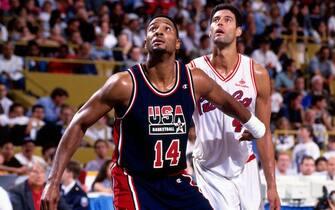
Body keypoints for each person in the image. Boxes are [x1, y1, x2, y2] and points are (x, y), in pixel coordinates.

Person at [41, 15, 265, 210]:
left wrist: (254, 124)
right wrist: (53, 181)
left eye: (167, 29)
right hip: (134, 181)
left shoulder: (194, 79)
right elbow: (79, 123)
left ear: (177, 44)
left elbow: (226, 101)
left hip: (175, 179)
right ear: (146, 42)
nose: (159, 31)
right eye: (153, 29)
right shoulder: (124, 84)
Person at [188, 4, 280, 210]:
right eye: (215, 20)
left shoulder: (257, 73)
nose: (219, 22)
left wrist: (272, 186)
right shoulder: (193, 71)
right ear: (210, 30)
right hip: (210, 169)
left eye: (227, 19)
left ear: (239, 31)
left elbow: (264, 133)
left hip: (245, 164)